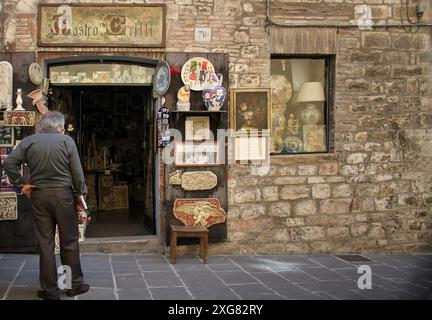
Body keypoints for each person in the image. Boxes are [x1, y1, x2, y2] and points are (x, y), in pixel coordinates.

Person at [3, 111, 90, 300]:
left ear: (43, 126)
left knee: (45, 244)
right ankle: (72, 285)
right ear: (59, 127)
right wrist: (80, 195)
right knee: (69, 242)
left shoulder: (29, 141)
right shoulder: (67, 141)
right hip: (64, 197)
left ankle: (50, 290)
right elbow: (77, 173)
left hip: (39, 196)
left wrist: (20, 184)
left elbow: (9, 162)